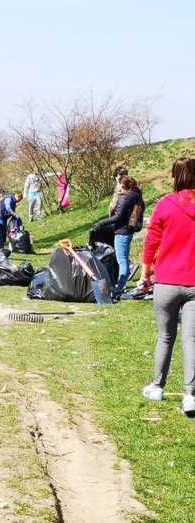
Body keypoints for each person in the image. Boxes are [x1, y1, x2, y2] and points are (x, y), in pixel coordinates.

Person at [140, 158, 195, 417]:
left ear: (176, 177)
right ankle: (190, 395)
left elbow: (151, 242)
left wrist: (146, 274)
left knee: (166, 337)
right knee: (191, 339)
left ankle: (158, 386)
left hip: (167, 281)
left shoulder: (165, 204)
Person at [91, 175, 144, 291]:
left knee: (122, 261)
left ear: (123, 185)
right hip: (129, 231)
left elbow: (117, 216)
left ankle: (121, 286)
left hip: (122, 232)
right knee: (124, 259)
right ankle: (122, 283)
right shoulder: (136, 195)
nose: (117, 186)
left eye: (119, 184)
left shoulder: (125, 198)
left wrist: (101, 223)